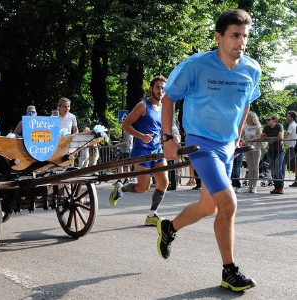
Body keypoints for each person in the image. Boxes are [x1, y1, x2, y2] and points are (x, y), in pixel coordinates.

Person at [160, 9, 260, 291]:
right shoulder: (195, 66)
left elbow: (248, 102)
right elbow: (170, 99)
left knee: (208, 206)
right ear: (219, 37)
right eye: (235, 35)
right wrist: (169, 136)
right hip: (200, 142)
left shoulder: (251, 69)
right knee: (228, 203)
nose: (241, 42)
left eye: (244, 36)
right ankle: (229, 271)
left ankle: (169, 228)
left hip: (228, 145)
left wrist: (238, 135)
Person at [109, 75, 169, 227]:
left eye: (163, 88)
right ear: (151, 89)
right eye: (157, 87)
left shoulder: (164, 107)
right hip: (142, 151)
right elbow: (126, 124)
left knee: (164, 182)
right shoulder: (143, 105)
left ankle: (151, 215)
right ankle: (120, 189)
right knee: (143, 188)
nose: (160, 91)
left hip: (157, 149)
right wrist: (141, 136)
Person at [256, 114, 284, 194]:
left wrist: (269, 138)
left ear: (274, 120)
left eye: (269, 120)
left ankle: (281, 187)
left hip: (279, 151)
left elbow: (280, 137)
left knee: (277, 170)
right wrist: (271, 138)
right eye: (267, 120)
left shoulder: (279, 126)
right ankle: (276, 187)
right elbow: (262, 137)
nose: (267, 121)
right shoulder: (266, 127)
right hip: (270, 151)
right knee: (272, 171)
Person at [242, 111, 262, 193]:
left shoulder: (258, 126)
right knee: (250, 168)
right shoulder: (245, 126)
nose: (246, 118)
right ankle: (249, 186)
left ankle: (254, 186)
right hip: (247, 148)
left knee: (255, 167)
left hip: (256, 148)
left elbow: (260, 136)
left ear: (252, 118)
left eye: (247, 117)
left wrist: (252, 140)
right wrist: (243, 141)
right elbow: (241, 136)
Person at [284, 110, 297, 187]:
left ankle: (281, 178)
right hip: (293, 146)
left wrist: (279, 139)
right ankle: (296, 181)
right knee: (295, 164)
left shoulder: (291, 125)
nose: (287, 118)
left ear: (292, 117)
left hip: (292, 147)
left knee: (284, 162)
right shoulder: (295, 125)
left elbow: (286, 136)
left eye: (288, 116)